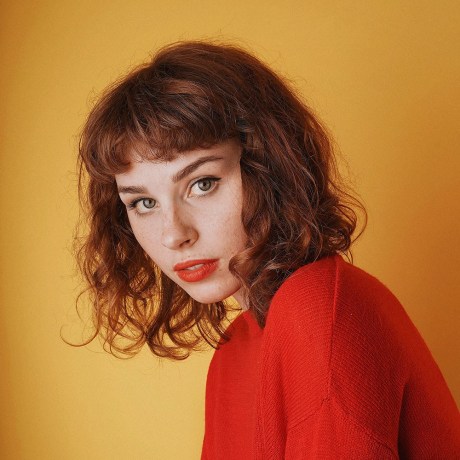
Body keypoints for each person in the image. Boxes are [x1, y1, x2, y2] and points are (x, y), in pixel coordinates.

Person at [76, 41, 460, 459]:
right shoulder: (234, 351)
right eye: (143, 203)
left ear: (271, 168)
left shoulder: (319, 307)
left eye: (202, 183)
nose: (173, 234)